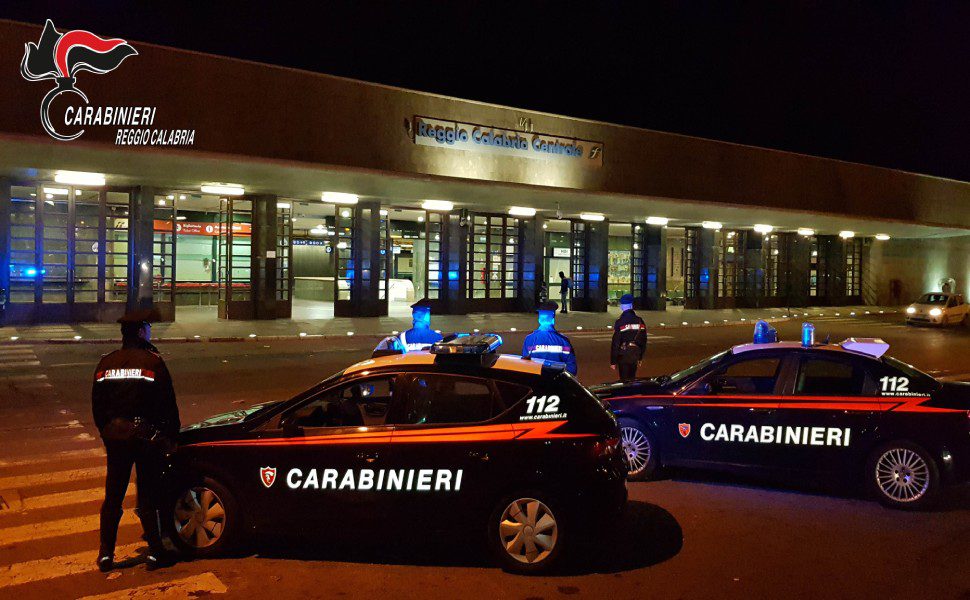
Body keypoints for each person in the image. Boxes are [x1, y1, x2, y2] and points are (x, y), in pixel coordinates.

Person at [92, 309, 180, 572]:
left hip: (116, 437)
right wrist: (170, 436)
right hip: (145, 438)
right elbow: (167, 405)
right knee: (148, 495)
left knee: (113, 495)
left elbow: (97, 406)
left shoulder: (105, 363)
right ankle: (155, 551)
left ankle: (106, 554)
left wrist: (107, 432)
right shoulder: (153, 362)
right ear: (141, 332)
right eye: (148, 328)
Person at [522, 301, 578, 375]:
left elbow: (525, 366)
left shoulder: (529, 339)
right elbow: (572, 369)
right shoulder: (563, 341)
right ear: (553, 318)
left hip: (537, 380)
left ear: (539, 319)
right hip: (557, 380)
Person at [610, 294, 647, 381]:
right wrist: (640, 357)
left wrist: (613, 361)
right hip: (635, 354)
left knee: (624, 380)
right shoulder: (640, 320)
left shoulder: (620, 321)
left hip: (623, 355)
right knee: (632, 378)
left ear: (622, 306)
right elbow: (643, 340)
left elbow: (615, 343)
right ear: (632, 306)